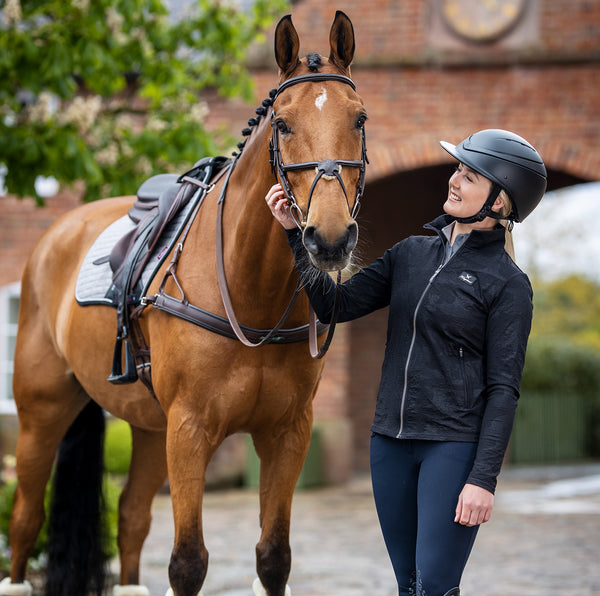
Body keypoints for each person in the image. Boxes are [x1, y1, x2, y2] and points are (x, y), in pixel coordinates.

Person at [265, 129, 547, 596]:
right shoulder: (410, 254)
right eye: (458, 169)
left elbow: (503, 389)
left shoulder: (508, 284)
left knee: (434, 585)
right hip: (389, 444)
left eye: (470, 176)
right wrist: (296, 236)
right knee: (408, 584)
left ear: (498, 203)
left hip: (451, 447)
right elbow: (334, 307)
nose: (455, 181)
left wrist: (482, 480)